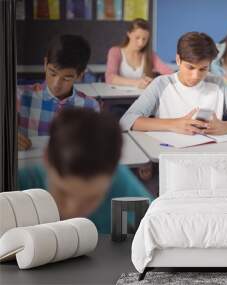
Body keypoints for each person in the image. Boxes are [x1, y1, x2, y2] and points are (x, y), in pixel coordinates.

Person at [18, 108, 153, 233]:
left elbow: (156, 219)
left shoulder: (119, 181)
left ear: (113, 175)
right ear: (46, 159)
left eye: (90, 199)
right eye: (63, 193)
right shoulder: (19, 185)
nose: (73, 211)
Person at [119, 31, 227, 134]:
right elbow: (127, 120)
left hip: (209, 155)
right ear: (178, 60)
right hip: (167, 154)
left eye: (203, 69)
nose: (196, 76)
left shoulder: (218, 84)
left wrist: (225, 127)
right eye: (190, 67)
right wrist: (173, 124)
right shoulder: (161, 84)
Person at [18, 34, 100, 151]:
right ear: (45, 64)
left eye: (66, 78)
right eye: (52, 73)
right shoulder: (20, 96)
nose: (56, 84)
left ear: (80, 75)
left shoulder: (90, 107)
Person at [105, 18, 173, 89]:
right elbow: (110, 77)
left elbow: (168, 72)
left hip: (141, 97)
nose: (141, 43)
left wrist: (153, 82)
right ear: (129, 34)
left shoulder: (150, 54)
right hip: (118, 96)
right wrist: (137, 82)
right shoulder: (115, 52)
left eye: (144, 39)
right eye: (137, 38)